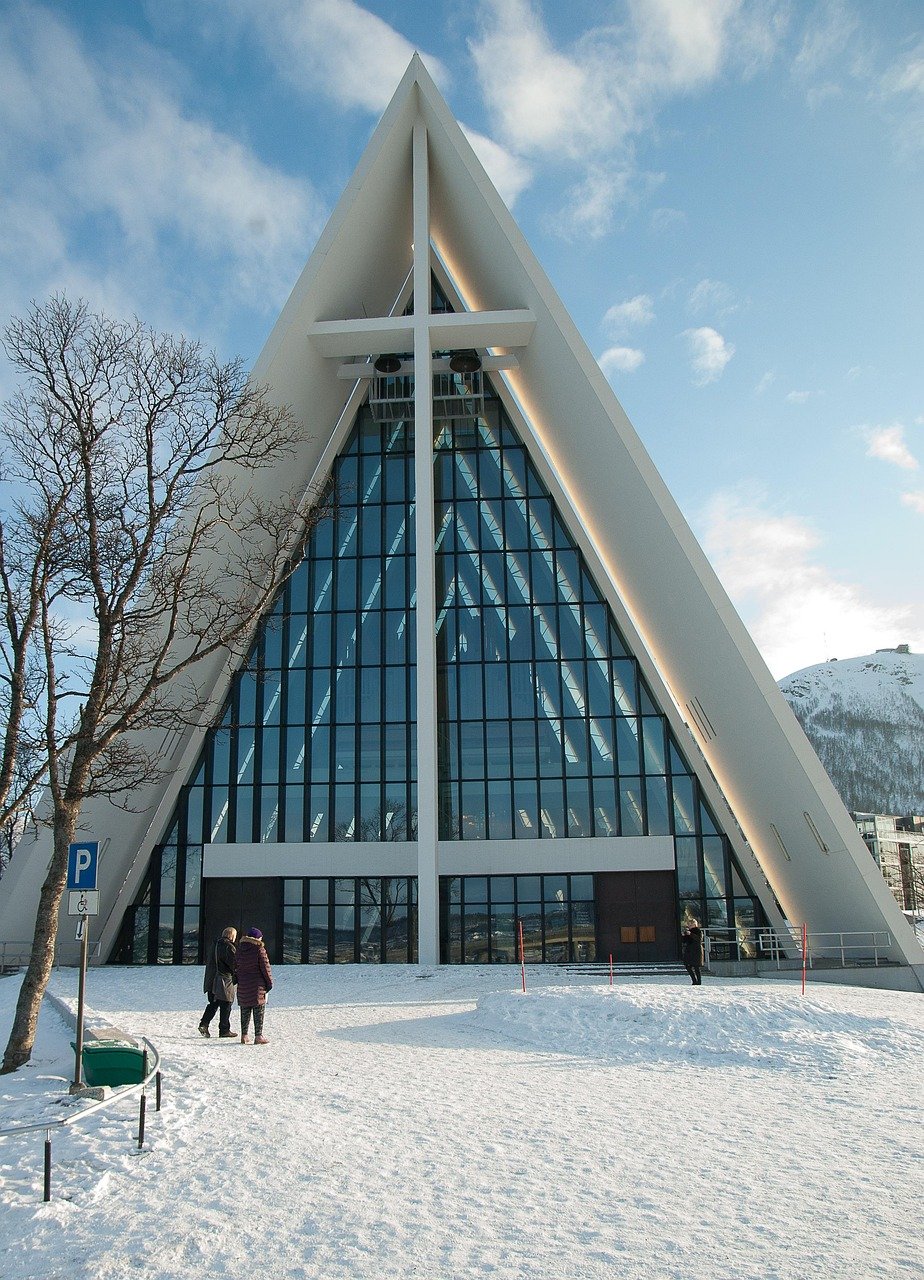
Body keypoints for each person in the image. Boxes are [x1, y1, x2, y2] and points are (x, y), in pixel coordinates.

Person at [199, 926, 238, 1038]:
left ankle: (204, 1024)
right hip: (224, 980)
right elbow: (234, 964)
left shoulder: (214, 945)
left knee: (213, 1003)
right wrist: (237, 976)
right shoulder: (228, 947)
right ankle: (224, 1030)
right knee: (226, 1004)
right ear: (232, 936)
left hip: (211, 979)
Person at [236, 927, 273, 1044]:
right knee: (259, 1010)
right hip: (257, 985)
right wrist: (269, 983)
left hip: (243, 984)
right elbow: (265, 967)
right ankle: (258, 1036)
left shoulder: (240, 949)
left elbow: (235, 966)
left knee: (245, 1009)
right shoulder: (259, 949)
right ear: (257, 938)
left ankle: (244, 1035)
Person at [681, 918, 704, 986]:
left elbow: (699, 939)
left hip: (696, 950)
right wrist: (683, 935)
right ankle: (694, 980)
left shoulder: (698, 931)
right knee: (688, 966)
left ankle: (698, 982)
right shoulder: (688, 932)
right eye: (689, 925)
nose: (689, 926)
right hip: (689, 950)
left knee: (696, 967)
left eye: (691, 924)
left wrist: (691, 934)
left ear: (694, 924)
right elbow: (684, 941)